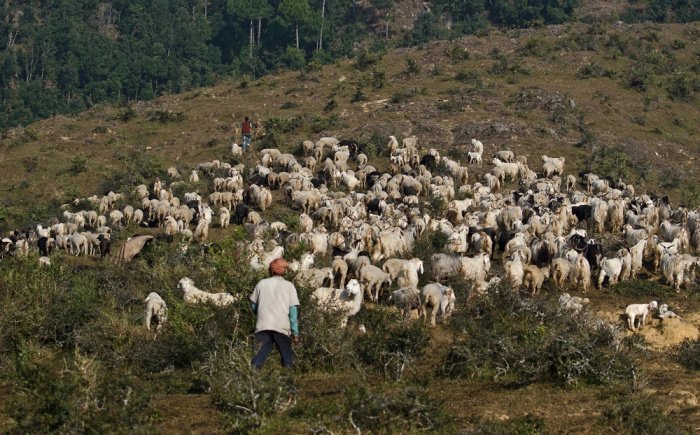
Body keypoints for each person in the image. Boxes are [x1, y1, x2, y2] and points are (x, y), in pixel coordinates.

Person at [249, 258, 300, 369]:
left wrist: (261, 314)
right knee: (286, 359)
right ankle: (287, 384)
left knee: (258, 357)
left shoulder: (261, 283)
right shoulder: (289, 286)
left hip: (263, 326)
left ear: (271, 271)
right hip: (281, 327)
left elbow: (253, 305)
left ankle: (251, 382)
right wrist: (295, 333)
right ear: (284, 271)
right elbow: (293, 312)